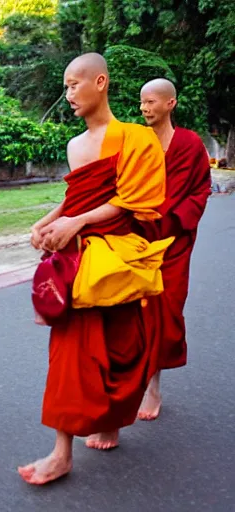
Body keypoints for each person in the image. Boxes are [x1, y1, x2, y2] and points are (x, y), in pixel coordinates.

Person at [18, 53, 168, 485]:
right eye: (64, 87)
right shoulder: (75, 145)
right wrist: (48, 221)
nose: (67, 94)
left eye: (73, 84)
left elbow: (135, 200)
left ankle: (110, 421)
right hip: (79, 261)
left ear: (99, 83)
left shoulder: (136, 139)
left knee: (123, 347)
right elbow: (75, 198)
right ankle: (61, 452)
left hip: (118, 257)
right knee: (71, 351)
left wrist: (78, 221)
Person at [137, 78, 211, 420]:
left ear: (171, 103)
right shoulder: (136, 142)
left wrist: (176, 217)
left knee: (166, 311)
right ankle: (136, 385)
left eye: (151, 102)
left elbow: (200, 189)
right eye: (142, 103)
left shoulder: (190, 143)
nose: (145, 108)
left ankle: (154, 388)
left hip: (175, 242)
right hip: (138, 239)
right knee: (136, 313)